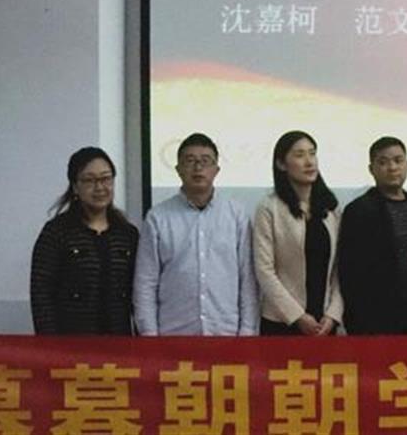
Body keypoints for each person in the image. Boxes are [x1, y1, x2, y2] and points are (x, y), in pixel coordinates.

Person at [133, 133, 258, 335]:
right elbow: (145, 283)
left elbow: (248, 281)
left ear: (216, 169)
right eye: (190, 161)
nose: (198, 168)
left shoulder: (236, 215)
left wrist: (247, 333)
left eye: (205, 161)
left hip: (226, 335)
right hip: (173, 335)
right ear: (178, 169)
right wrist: (150, 336)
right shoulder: (158, 217)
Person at [30, 147, 139, 335]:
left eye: (106, 179)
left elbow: (138, 293)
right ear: (75, 186)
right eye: (89, 180)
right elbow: (41, 294)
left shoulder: (127, 234)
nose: (100, 187)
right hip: (70, 341)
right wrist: (49, 344)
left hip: (119, 340)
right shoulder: (56, 232)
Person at [338, 136, 407, 335]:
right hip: (374, 318)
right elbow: (348, 271)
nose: (392, 168)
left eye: (398, 160)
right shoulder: (358, 210)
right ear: (371, 169)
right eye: (383, 162)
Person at [253, 131, 343, 336]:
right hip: (281, 322)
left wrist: (333, 314)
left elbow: (340, 267)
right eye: (299, 155)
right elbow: (264, 270)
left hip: (325, 322)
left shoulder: (331, 208)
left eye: (312, 153)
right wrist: (297, 316)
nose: (309, 162)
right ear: (281, 164)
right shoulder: (269, 208)